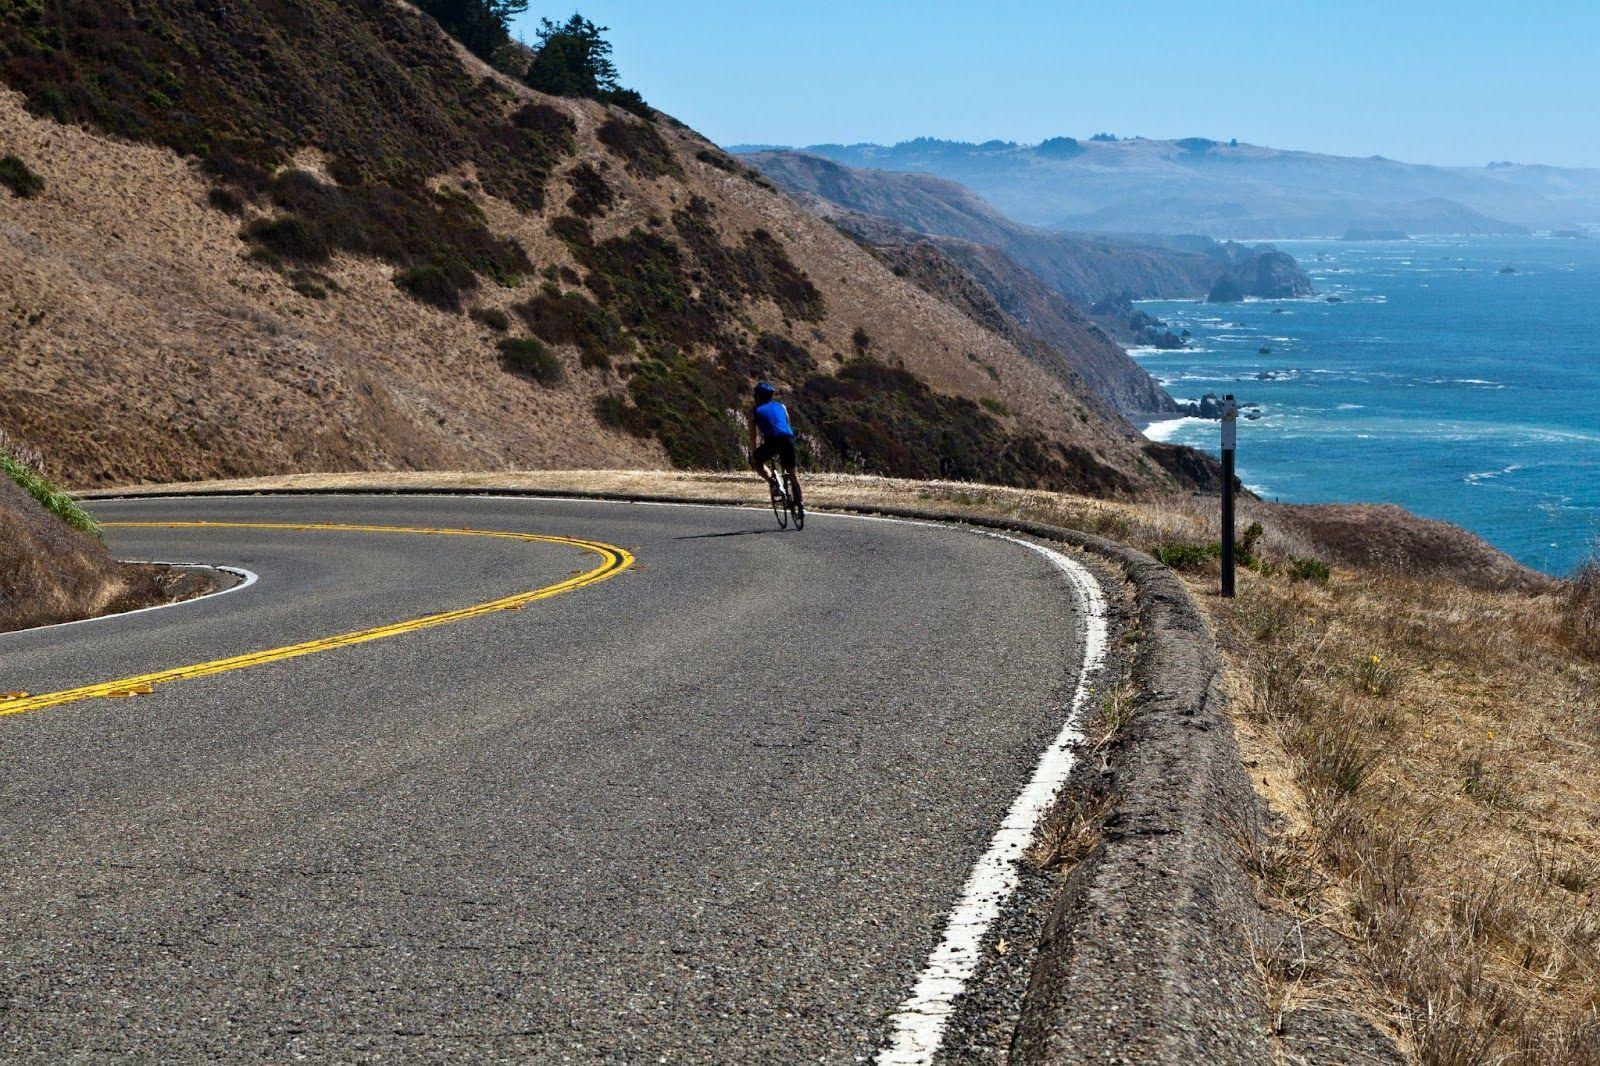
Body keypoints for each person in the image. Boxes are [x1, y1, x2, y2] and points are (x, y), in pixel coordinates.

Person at [747, 380, 803, 517]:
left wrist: (754, 453)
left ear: (757, 397)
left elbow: (753, 438)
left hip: (772, 441)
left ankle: (773, 482)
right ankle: (800, 504)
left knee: (755, 461)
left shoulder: (754, 412)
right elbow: (787, 424)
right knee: (793, 474)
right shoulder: (782, 406)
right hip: (788, 439)